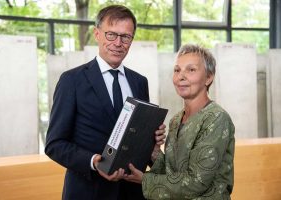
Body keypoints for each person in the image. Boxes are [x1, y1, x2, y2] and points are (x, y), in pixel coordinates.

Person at [45, 4, 165, 200]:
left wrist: (152, 135)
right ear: (97, 34)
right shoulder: (72, 81)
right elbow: (54, 144)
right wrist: (94, 162)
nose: (118, 43)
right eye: (111, 34)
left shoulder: (139, 81)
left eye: (126, 37)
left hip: (132, 191)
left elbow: (136, 134)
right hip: (88, 191)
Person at [124, 44, 235, 200]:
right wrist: (154, 150)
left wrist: (144, 180)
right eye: (177, 70)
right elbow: (172, 173)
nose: (181, 76)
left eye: (191, 70)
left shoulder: (216, 118)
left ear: (209, 77)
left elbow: (197, 182)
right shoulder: (176, 120)